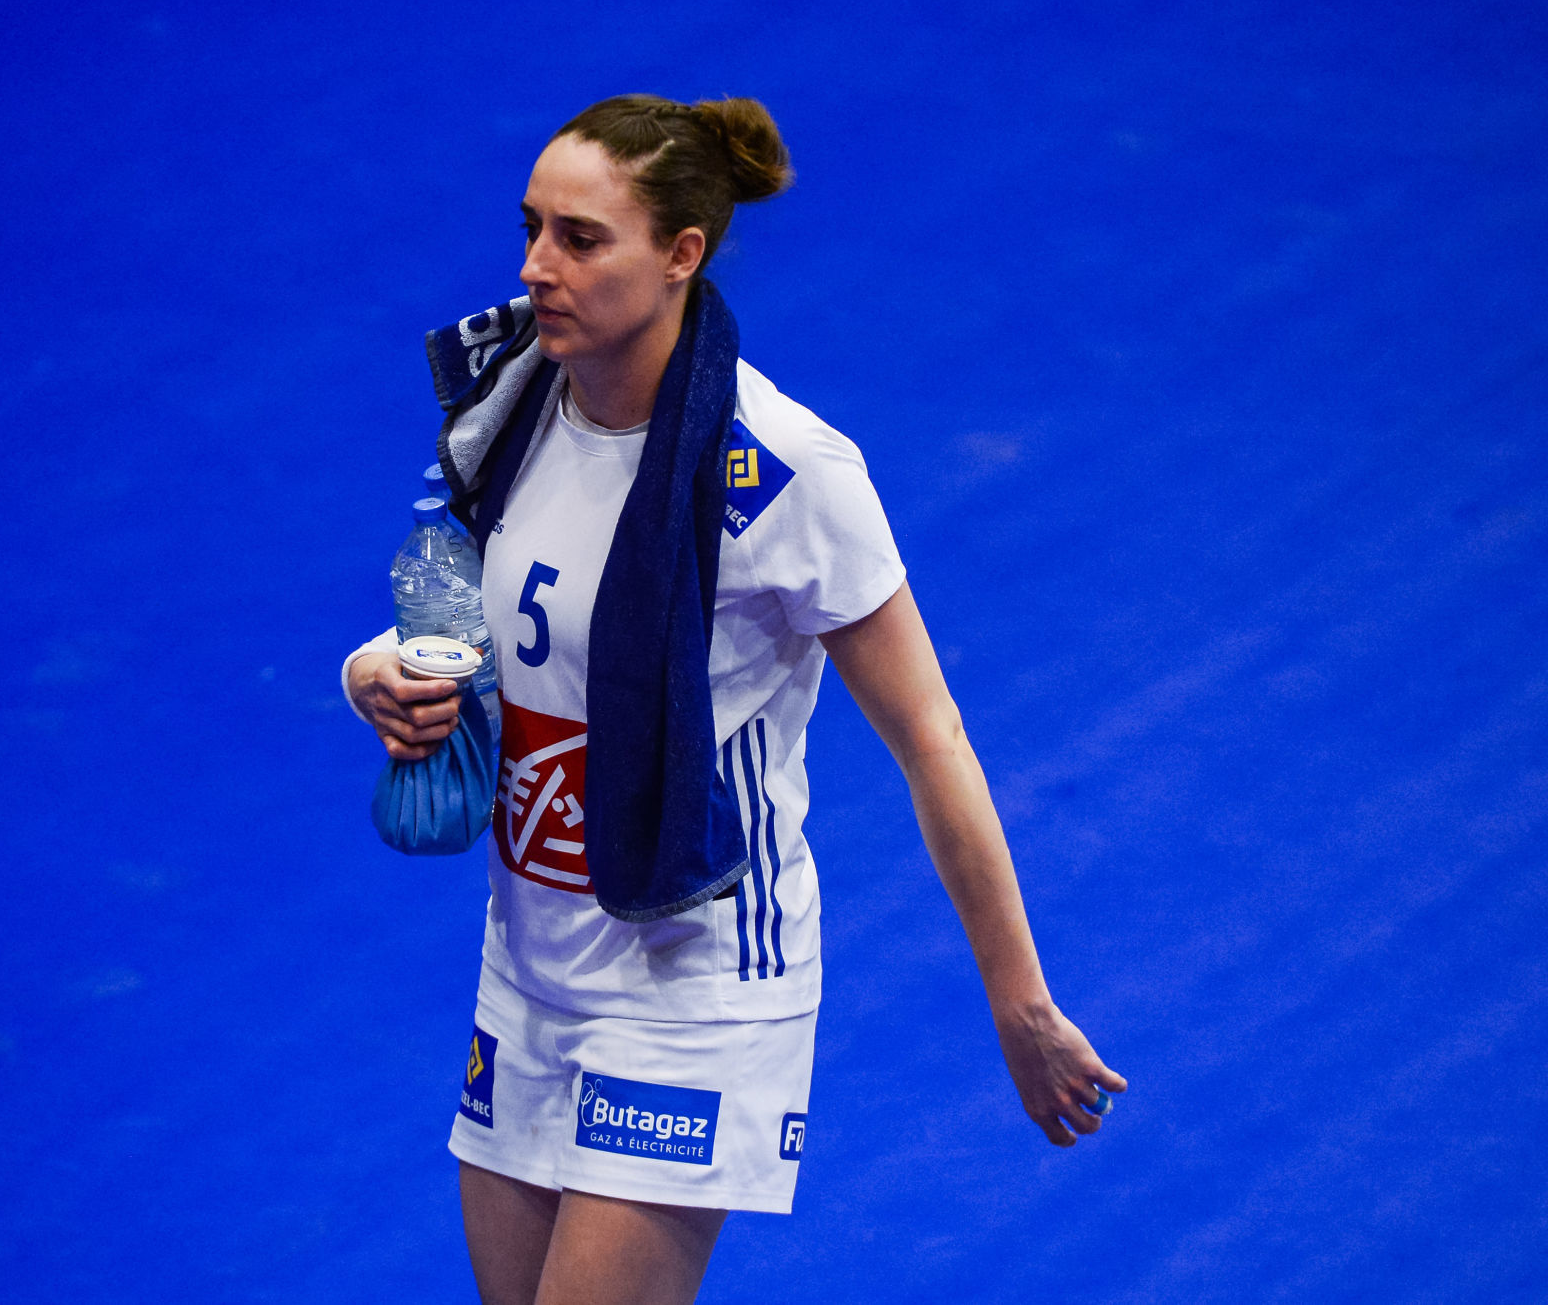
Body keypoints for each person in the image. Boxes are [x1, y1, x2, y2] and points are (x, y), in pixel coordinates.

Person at [344, 93, 1124, 1305]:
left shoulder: (784, 473)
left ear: (680, 255)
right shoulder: (509, 409)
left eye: (580, 238)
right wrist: (374, 673)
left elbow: (932, 738)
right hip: (528, 970)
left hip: (694, 986)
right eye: (531, 227)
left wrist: (1019, 1002)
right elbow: (473, 619)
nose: (535, 266)